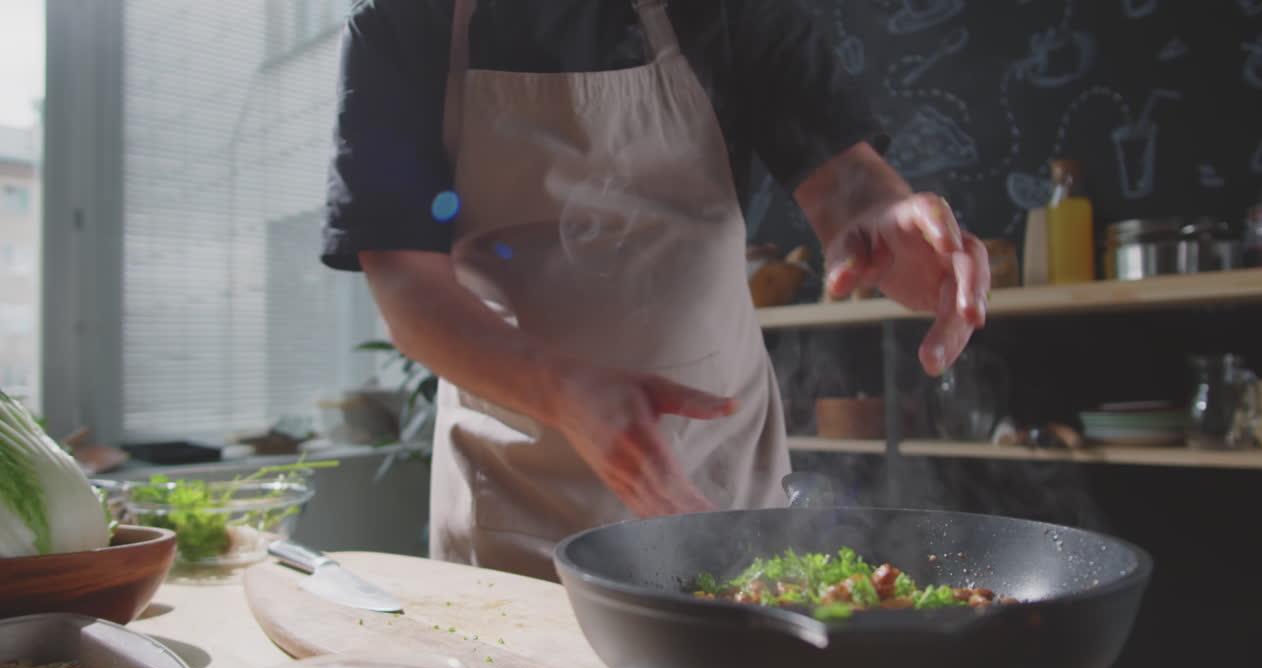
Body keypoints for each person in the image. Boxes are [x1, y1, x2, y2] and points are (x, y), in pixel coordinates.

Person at [321, 0, 990, 582]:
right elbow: (407, 285)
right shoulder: (403, 20)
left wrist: (883, 213)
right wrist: (562, 390)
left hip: (721, 471)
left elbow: (844, 177)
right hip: (518, 491)